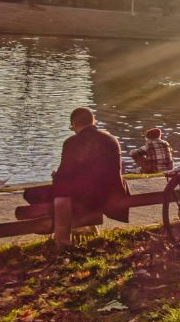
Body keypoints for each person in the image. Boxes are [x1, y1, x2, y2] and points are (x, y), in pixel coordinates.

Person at [22, 107, 129, 249]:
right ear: (93, 121)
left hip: (91, 197)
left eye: (71, 127)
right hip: (113, 194)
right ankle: (84, 229)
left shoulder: (72, 142)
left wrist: (56, 177)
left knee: (37, 193)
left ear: (74, 124)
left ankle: (63, 241)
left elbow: (65, 175)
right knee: (75, 189)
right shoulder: (111, 139)